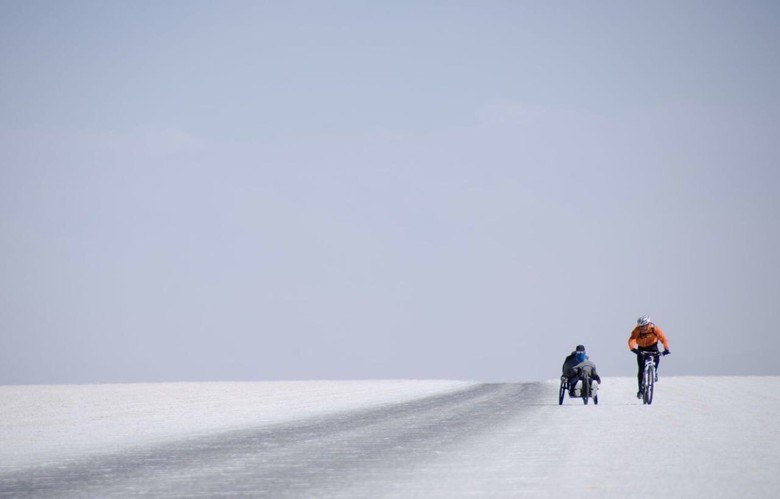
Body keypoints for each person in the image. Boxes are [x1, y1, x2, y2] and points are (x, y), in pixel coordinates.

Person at [628, 315, 670, 398]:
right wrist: (633, 349)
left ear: (648, 324)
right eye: (641, 326)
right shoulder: (637, 330)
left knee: (657, 356)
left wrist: (666, 349)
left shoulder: (654, 328)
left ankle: (655, 371)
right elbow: (632, 339)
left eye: (644, 326)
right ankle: (640, 390)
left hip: (652, 347)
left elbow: (663, 339)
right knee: (641, 369)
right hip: (641, 348)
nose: (642, 328)